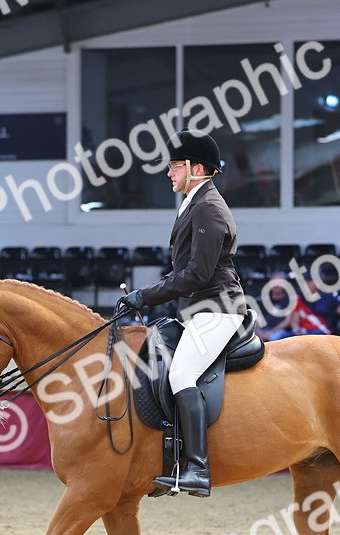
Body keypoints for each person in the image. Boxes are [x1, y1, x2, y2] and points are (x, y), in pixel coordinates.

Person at [116, 130, 245, 498]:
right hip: (197, 310)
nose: (169, 174)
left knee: (182, 372)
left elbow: (197, 274)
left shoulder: (208, 206)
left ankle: (198, 468)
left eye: (174, 167)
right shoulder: (193, 202)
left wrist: (146, 295)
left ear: (196, 168)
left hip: (218, 310)